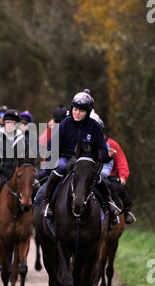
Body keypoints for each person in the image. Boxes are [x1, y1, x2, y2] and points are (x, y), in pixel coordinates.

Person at [39, 89, 120, 225]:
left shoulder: (94, 127)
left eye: (81, 111)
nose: (77, 113)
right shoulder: (65, 123)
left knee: (97, 177)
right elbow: (52, 147)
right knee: (60, 167)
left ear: (87, 112)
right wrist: (48, 170)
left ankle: (110, 203)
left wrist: (106, 156)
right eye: (75, 109)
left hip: (87, 160)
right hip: (67, 158)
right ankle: (46, 203)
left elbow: (101, 148)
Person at [0, 109, 26, 197]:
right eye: (7, 122)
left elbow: (27, 159)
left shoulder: (23, 139)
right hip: (0, 173)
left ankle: (35, 208)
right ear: (4, 123)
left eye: (13, 123)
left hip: (19, 174)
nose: (10, 126)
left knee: (36, 186)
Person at [106, 133, 136, 224]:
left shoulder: (112, 144)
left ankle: (126, 211)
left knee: (122, 189)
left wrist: (123, 176)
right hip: (90, 176)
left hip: (110, 176)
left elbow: (121, 162)